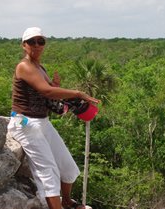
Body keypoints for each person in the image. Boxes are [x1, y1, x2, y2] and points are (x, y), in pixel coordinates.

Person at [7, 27, 99, 209]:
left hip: (42, 122)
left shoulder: (40, 68)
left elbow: (48, 93)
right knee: (49, 173)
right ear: (23, 45)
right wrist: (78, 93)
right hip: (25, 123)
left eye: (40, 41)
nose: (36, 45)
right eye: (31, 42)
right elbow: (46, 90)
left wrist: (55, 88)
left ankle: (66, 202)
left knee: (70, 169)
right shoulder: (24, 66)